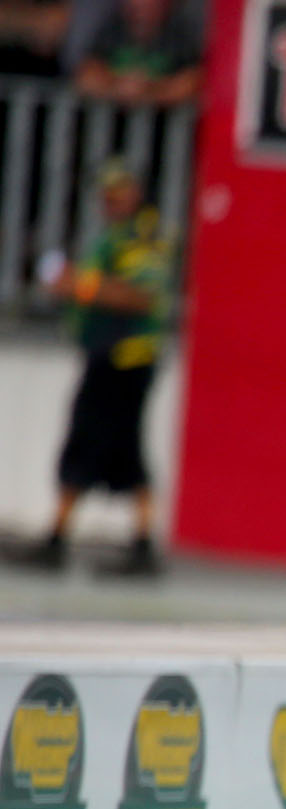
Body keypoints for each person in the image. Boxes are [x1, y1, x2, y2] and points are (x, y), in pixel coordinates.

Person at [6, 159, 169, 575]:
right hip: (108, 354)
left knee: (106, 443)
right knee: (104, 445)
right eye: (106, 194)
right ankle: (80, 537)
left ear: (135, 193)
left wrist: (79, 285)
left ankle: (77, 541)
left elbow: (142, 297)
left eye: (118, 192)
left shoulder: (141, 238)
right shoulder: (117, 235)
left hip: (127, 356)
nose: (110, 201)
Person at [74, 0, 197, 105]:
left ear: (166, 0)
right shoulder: (111, 29)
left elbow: (192, 82)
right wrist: (118, 86)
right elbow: (86, 77)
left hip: (164, 117)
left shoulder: (180, 35)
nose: (144, 2)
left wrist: (150, 90)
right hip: (110, 115)